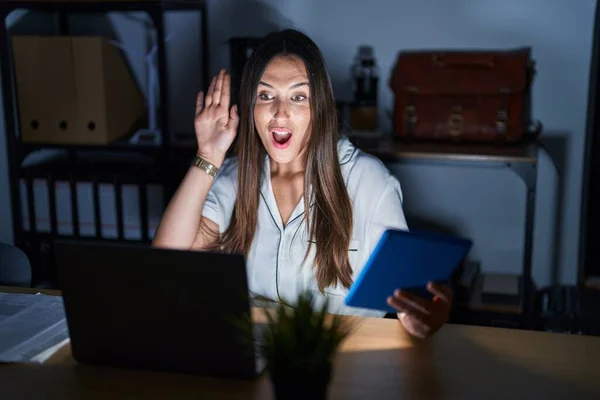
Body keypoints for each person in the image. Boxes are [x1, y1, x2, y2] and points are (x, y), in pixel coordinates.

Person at [152, 29, 452, 339]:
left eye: (298, 97)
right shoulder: (232, 176)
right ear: (250, 106)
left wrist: (421, 319)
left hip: (341, 362)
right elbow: (167, 260)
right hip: (253, 354)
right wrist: (209, 155)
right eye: (266, 95)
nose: (280, 112)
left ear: (319, 105)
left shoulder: (368, 180)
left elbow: (407, 298)